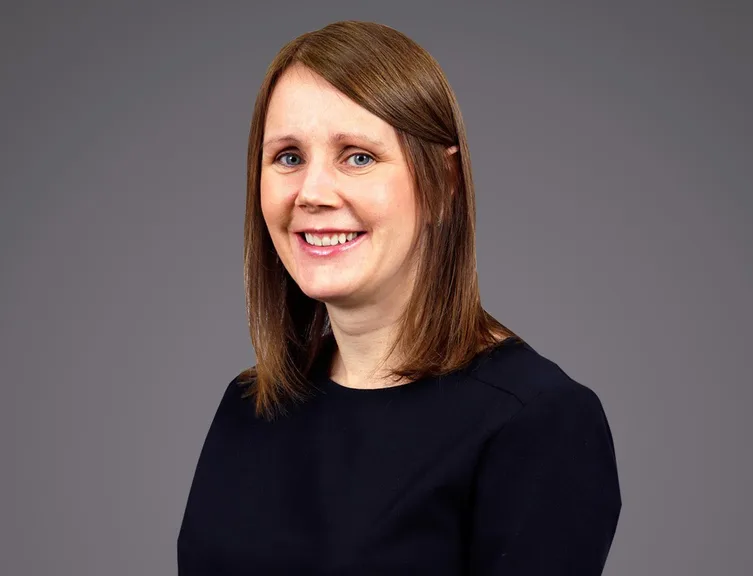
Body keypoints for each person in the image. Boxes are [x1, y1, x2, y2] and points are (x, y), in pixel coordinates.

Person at [177, 20, 621, 575]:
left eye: (357, 156)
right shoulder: (251, 404)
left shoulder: (538, 423)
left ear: (444, 181)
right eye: (288, 157)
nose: (311, 193)